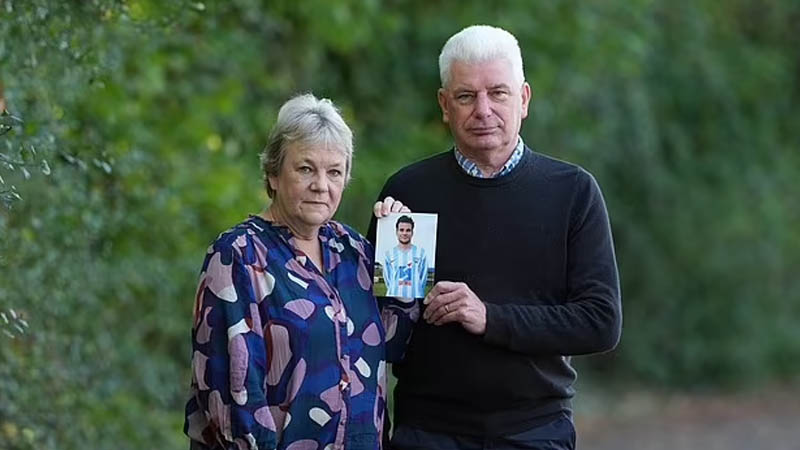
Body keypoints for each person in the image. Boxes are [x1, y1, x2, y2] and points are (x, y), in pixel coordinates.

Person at [368, 25, 622, 450]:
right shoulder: (408, 193)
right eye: (466, 96)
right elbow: (384, 336)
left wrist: (490, 317)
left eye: (497, 93)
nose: (483, 110)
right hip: (427, 432)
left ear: (523, 99)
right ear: (444, 105)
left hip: (534, 430)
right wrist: (395, 257)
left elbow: (600, 323)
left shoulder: (573, 191)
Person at [184, 93, 414, 450]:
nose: (321, 185)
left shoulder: (352, 251)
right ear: (274, 174)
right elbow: (231, 396)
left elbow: (394, 346)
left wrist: (401, 248)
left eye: (334, 172)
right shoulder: (238, 256)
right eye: (306, 169)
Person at [383, 215, 428, 298]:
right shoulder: (389, 254)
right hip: (393, 300)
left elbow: (423, 278)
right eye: (401, 230)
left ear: (412, 233)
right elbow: (387, 279)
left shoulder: (421, 253)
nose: (404, 233)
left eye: (408, 230)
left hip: (415, 299)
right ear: (396, 232)